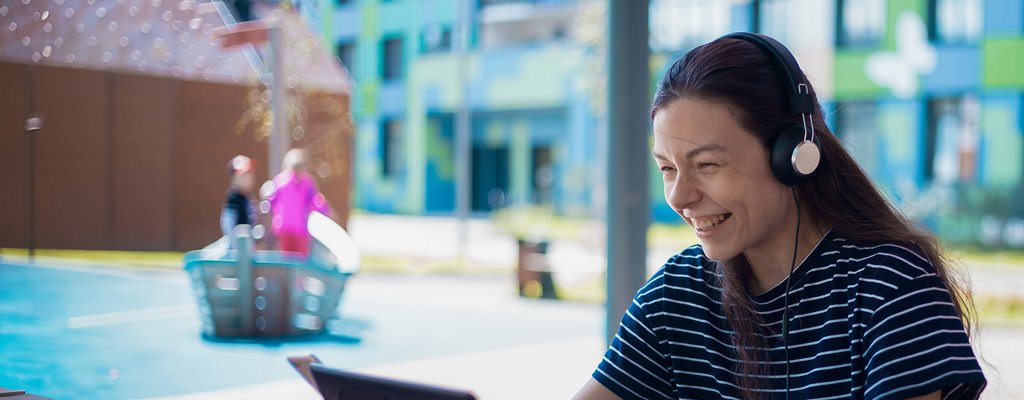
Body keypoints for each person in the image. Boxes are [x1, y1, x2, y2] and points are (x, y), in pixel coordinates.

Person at [574, 33, 986, 400]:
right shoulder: (676, 295)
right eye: (667, 168)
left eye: (707, 165)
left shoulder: (887, 284)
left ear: (793, 157)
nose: (680, 196)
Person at [268, 148, 331, 256]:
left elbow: (315, 201)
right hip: (284, 228)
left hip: (300, 229)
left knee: (299, 258)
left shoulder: (306, 184)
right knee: (286, 257)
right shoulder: (282, 181)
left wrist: (325, 209)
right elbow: (271, 200)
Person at [220, 155, 257, 239]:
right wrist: (236, 248)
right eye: (243, 175)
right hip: (238, 246)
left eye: (250, 174)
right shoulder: (234, 199)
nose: (248, 178)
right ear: (233, 179)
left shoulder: (248, 198)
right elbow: (228, 225)